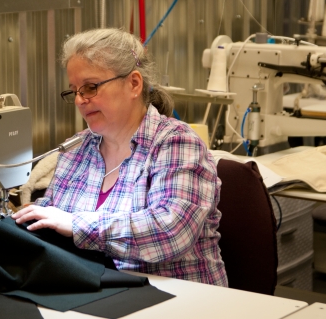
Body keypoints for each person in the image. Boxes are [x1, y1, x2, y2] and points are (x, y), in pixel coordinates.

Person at [12, 28, 227, 286]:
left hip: (182, 297)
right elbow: (51, 218)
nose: (79, 100)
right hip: (102, 291)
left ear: (134, 84)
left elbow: (170, 232)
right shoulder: (77, 149)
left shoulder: (176, 143)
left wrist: (76, 225)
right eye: (74, 90)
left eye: (90, 87)